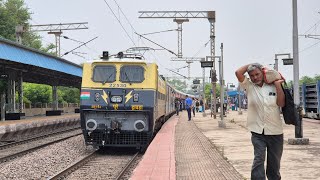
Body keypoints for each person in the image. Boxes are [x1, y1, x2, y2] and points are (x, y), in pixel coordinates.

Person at [235, 63, 285, 180]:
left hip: (275, 131)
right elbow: (238, 73)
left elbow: (281, 104)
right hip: (257, 131)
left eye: (257, 74)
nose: (255, 77)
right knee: (259, 158)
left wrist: (277, 85)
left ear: (263, 73)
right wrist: (252, 63)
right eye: (252, 75)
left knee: (274, 162)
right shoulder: (249, 86)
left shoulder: (273, 86)